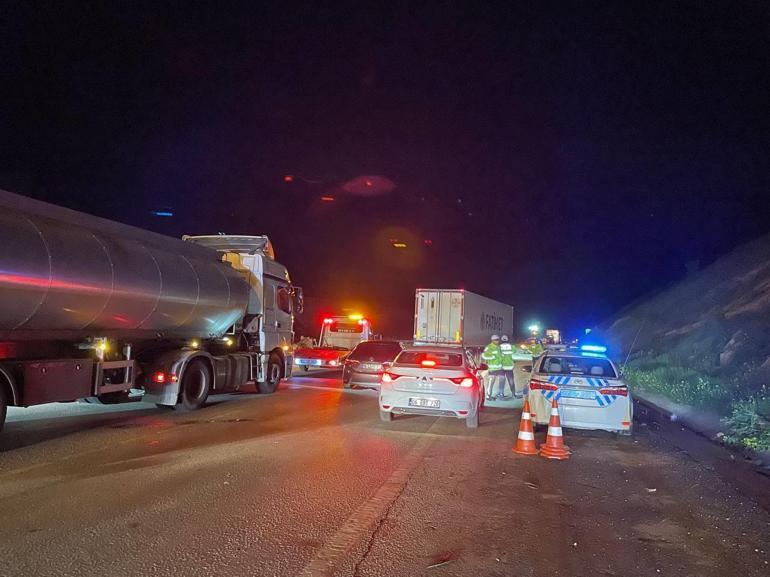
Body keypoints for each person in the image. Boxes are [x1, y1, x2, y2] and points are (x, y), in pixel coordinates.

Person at [481, 334, 505, 400]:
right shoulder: (489, 347)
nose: (498, 341)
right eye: (496, 340)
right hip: (492, 368)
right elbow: (484, 355)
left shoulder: (498, 347)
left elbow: (500, 356)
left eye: (498, 339)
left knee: (502, 380)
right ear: (492, 340)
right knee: (491, 382)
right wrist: (492, 357)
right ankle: (488, 396)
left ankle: (501, 394)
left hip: (500, 368)